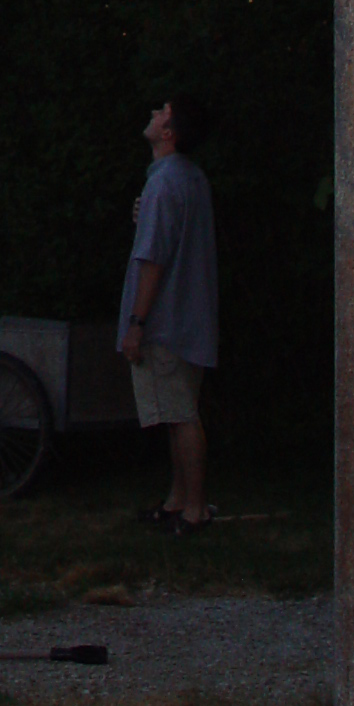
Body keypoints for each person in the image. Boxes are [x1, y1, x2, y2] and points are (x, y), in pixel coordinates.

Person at [118, 95, 219, 532]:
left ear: (169, 133)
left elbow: (153, 260)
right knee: (178, 413)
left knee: (181, 416)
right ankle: (177, 500)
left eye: (162, 111)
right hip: (191, 317)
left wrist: (137, 324)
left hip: (167, 322)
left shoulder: (164, 184)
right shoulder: (189, 178)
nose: (154, 112)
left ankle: (194, 510)